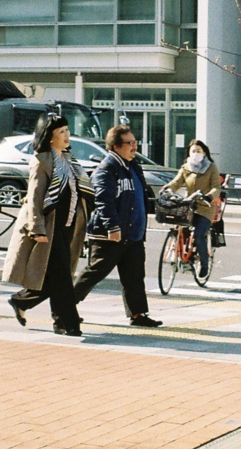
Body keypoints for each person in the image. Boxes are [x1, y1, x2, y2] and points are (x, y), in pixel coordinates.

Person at [3, 114, 92, 337]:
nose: (67, 135)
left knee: (55, 277)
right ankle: (70, 324)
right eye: (61, 132)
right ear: (50, 137)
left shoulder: (69, 160)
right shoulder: (42, 161)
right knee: (62, 277)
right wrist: (37, 229)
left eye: (67, 130)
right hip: (50, 226)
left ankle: (24, 302)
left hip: (68, 225)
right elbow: (34, 197)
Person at [72, 125, 161, 328]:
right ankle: (65, 306)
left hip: (132, 233)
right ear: (115, 146)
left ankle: (138, 314)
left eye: (135, 142)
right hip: (111, 234)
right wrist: (112, 226)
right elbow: (103, 200)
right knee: (94, 273)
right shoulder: (107, 169)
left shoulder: (133, 166)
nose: (134, 146)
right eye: (129, 143)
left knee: (134, 276)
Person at [163, 139, 222, 278]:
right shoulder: (185, 167)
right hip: (189, 206)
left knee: (198, 235)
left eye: (199, 151)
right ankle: (185, 258)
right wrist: (168, 188)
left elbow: (216, 187)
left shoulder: (211, 168)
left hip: (205, 207)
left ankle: (204, 264)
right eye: (193, 151)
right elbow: (177, 182)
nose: (196, 153)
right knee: (180, 229)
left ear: (204, 153)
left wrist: (209, 196)